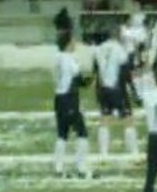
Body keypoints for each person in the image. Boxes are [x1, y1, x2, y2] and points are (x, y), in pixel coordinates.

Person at [94, 27, 139, 158]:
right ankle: (134, 153)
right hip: (117, 89)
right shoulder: (120, 49)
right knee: (128, 119)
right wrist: (134, 92)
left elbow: (96, 72)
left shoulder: (98, 49)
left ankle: (103, 153)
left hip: (103, 89)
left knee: (105, 119)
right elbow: (126, 73)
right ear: (117, 36)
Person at [52, 32, 92, 179]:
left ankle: (58, 167)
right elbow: (79, 79)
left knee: (62, 134)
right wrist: (91, 77)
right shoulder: (69, 59)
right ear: (68, 43)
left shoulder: (57, 58)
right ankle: (80, 166)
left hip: (58, 98)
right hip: (70, 99)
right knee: (82, 132)